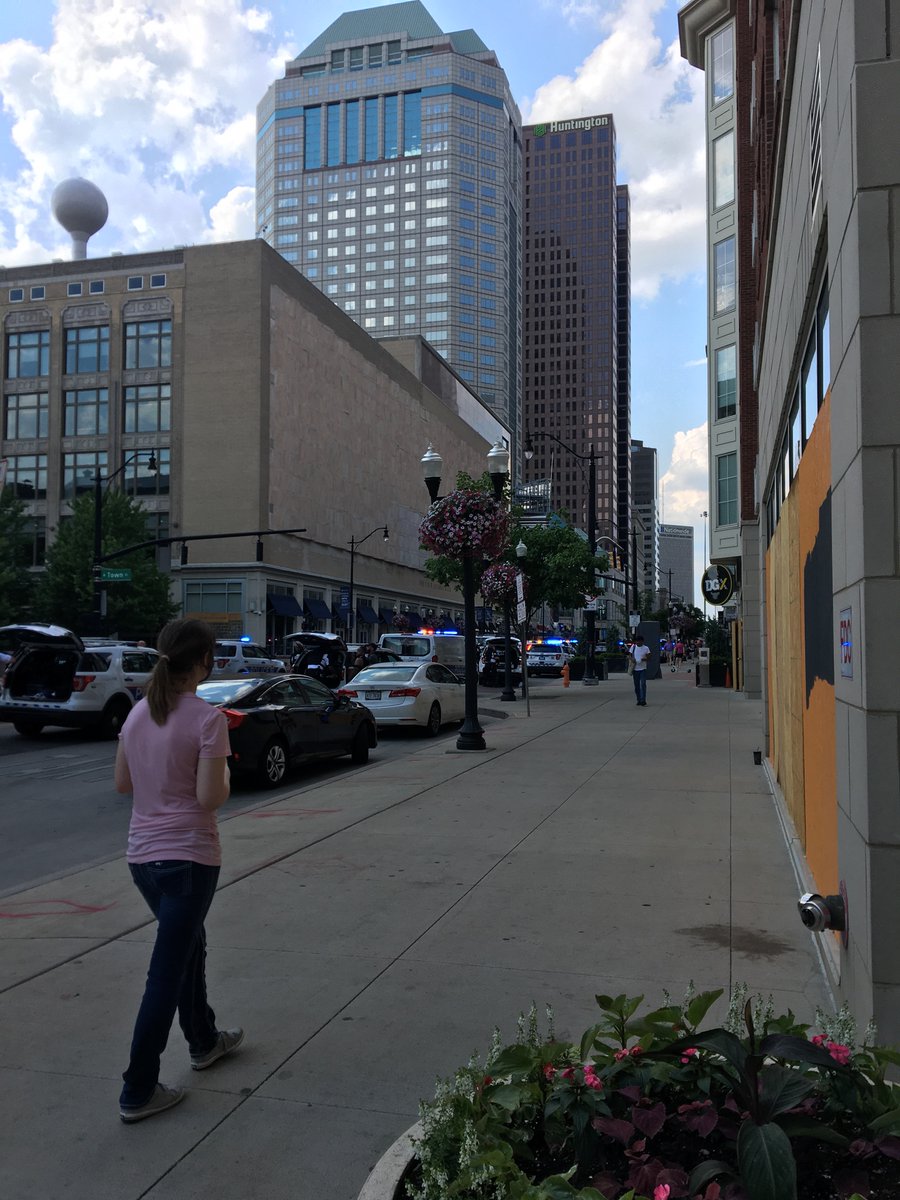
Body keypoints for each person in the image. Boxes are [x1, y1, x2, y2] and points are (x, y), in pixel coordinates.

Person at [114, 618, 242, 1124]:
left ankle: (204, 1039)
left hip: (142, 858)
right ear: (204, 661)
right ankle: (138, 1088)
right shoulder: (208, 720)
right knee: (165, 973)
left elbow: (124, 784)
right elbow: (211, 797)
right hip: (189, 856)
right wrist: (224, 767)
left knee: (190, 945)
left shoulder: (138, 713)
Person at [629, 634, 651, 706]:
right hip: (635, 669)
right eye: (637, 641)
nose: (638, 643)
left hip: (643, 669)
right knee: (637, 685)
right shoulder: (633, 647)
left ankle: (643, 700)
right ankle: (638, 699)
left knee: (643, 684)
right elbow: (629, 655)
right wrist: (632, 659)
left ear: (642, 642)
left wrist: (643, 659)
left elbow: (649, 658)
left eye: (639, 641)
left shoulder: (646, 648)